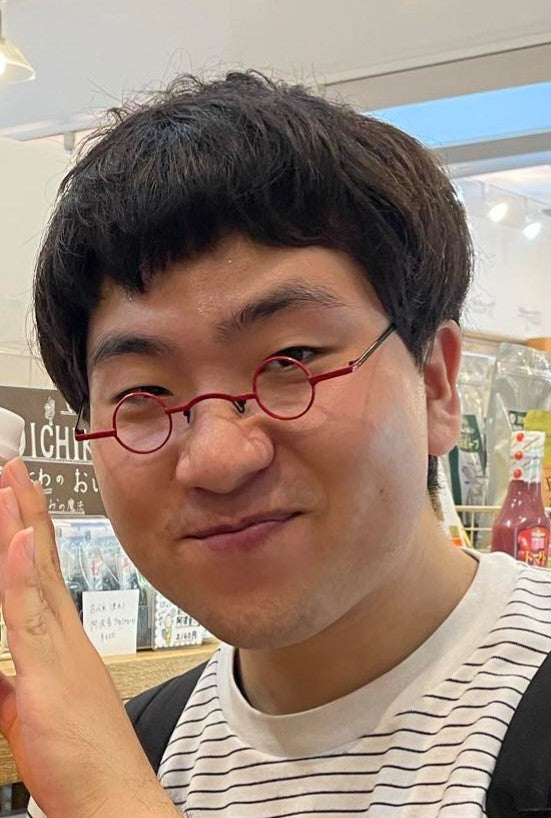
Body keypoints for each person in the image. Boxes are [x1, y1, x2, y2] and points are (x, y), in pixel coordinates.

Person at [0, 72, 548, 818]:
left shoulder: (104, 785)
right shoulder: (128, 748)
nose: (217, 459)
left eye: (290, 361)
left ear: (434, 385)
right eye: (143, 395)